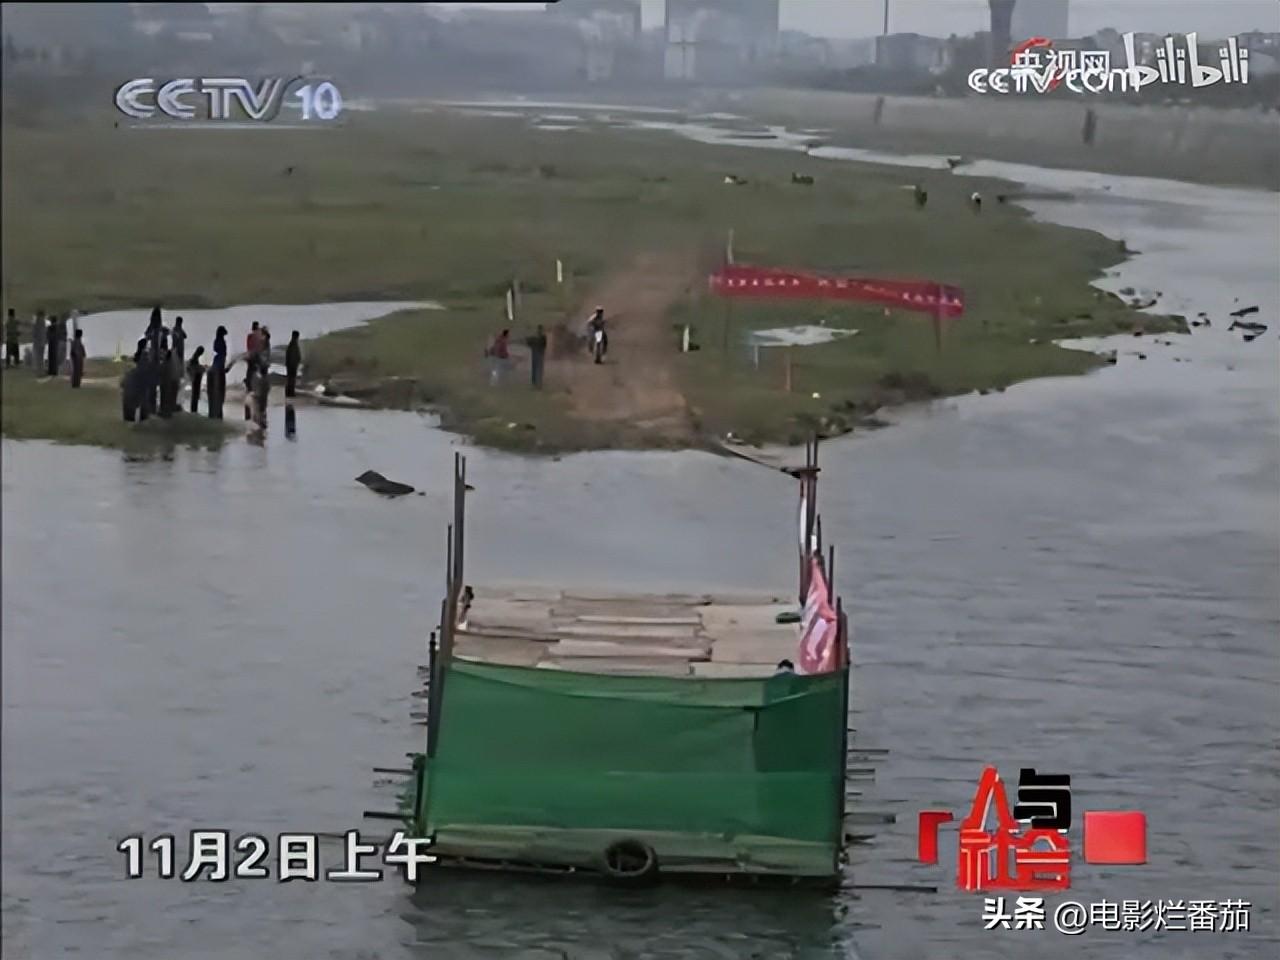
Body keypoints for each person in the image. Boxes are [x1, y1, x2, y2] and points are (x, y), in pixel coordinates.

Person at [208, 325, 227, 419]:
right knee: (220, 392)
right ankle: (218, 414)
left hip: (216, 367)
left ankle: (214, 413)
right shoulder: (221, 343)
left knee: (215, 393)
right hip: (219, 369)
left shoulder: (217, 341)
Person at [525, 325, 547, 389]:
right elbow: (529, 343)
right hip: (537, 354)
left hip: (537, 354)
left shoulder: (541, 337)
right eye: (540, 329)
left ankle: (537, 384)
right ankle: (536, 384)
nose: (540, 331)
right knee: (536, 369)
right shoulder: (539, 337)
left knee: (536, 369)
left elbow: (529, 343)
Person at [187, 346, 206, 413]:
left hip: (195, 378)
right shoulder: (195, 358)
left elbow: (190, 367)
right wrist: (201, 368)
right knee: (195, 395)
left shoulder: (194, 357)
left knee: (195, 395)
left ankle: (194, 410)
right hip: (196, 378)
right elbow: (193, 367)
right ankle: (194, 410)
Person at [284, 330, 301, 397]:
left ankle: (289, 392)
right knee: (292, 379)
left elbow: (289, 355)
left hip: (290, 364)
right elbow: (294, 355)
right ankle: (290, 393)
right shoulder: (293, 344)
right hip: (292, 365)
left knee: (290, 379)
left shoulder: (291, 344)